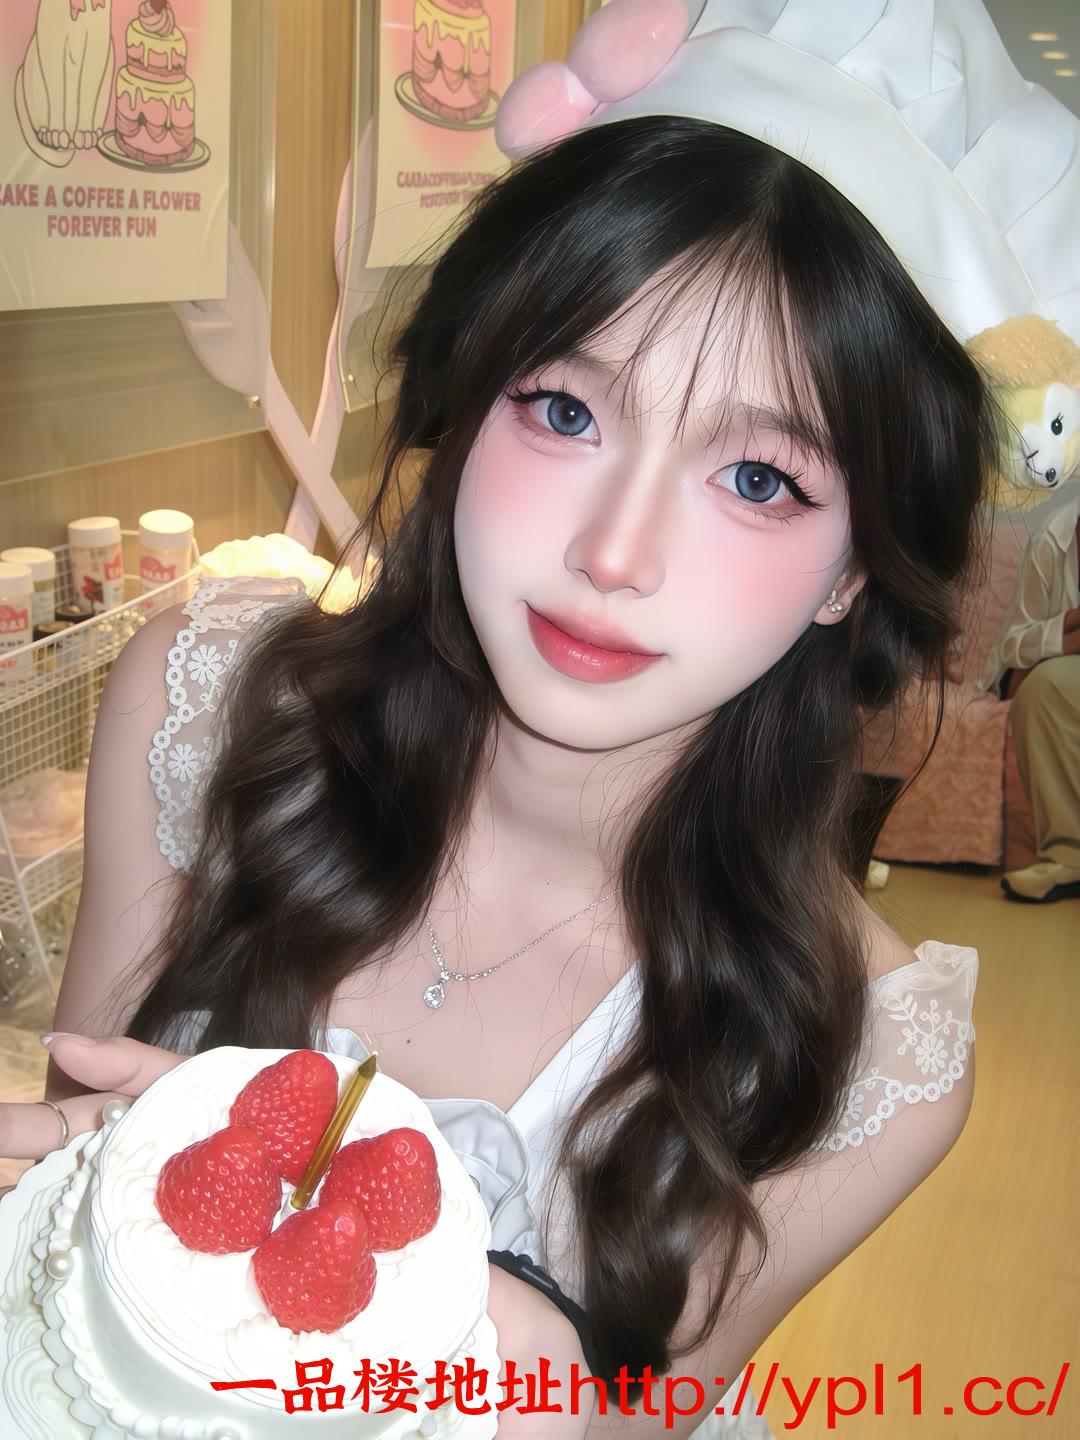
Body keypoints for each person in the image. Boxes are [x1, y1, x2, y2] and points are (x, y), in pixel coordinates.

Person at [3, 1, 1078, 1435]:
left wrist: (541, 1383)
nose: (613, 555)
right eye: (567, 411)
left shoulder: (867, 1058)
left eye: (760, 481)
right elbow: (56, 1223)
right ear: (468, 401)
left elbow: (650, 1409)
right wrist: (93, 1207)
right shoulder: (204, 713)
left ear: (853, 575)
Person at [981, 486, 1080, 903]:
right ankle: (1069, 857)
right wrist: (1066, 630)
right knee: (1041, 688)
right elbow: (1013, 645)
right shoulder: (1053, 539)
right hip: (1064, 668)